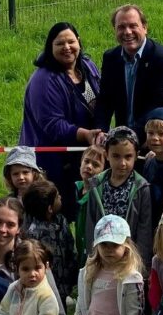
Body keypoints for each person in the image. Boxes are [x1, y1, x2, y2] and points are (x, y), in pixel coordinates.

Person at [20, 22, 102, 220]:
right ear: (50, 47)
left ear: (79, 43)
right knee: (58, 214)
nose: (67, 47)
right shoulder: (44, 79)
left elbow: (100, 101)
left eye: (71, 41)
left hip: (82, 156)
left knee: (86, 211)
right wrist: (86, 134)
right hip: (53, 162)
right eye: (60, 44)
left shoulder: (87, 67)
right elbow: (52, 125)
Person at [95, 5, 163, 141]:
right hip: (122, 141)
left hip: (153, 138)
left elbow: (160, 104)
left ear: (144, 27)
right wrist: (100, 131)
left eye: (133, 26)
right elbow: (105, 100)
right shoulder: (110, 58)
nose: (127, 32)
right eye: (121, 27)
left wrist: (129, 136)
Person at [81, 127, 153, 264]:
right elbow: (91, 224)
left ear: (136, 156)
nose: (122, 163)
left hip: (129, 260)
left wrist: (141, 266)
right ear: (107, 154)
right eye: (116, 156)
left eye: (128, 157)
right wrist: (92, 258)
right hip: (102, 257)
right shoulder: (96, 185)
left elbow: (144, 230)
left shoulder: (141, 187)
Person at [22, 180, 76, 304]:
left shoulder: (61, 220)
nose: (60, 197)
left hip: (63, 280)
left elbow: (69, 245)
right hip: (44, 286)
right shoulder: (34, 233)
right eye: (57, 196)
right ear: (49, 208)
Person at [74, 144, 107, 265]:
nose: (89, 167)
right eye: (86, 161)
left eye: (96, 165)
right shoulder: (77, 188)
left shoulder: (100, 194)